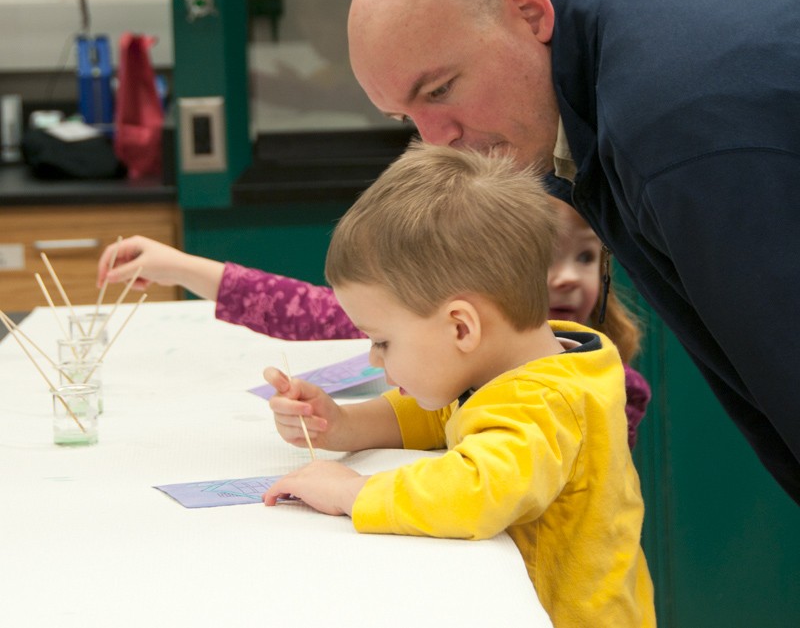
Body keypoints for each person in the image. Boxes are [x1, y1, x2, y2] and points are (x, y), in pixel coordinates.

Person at [343, 0, 800, 502]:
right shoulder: (611, 85)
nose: (435, 139)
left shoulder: (669, 131)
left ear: (529, 12)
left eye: (441, 90)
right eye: (408, 117)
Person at [261, 142, 656, 627]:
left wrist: (353, 492)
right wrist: (341, 424)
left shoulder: (541, 403)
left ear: (461, 328)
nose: (373, 357)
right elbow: (433, 412)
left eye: (382, 341)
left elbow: (476, 491)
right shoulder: (522, 365)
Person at [96, 201, 652, 448]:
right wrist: (176, 266)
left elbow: (486, 484)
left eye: (585, 258)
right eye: (543, 261)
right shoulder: (434, 329)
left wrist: (352, 493)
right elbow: (302, 306)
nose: (563, 280)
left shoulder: (604, 391)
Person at [548, 196, 651, 448]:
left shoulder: (616, 384)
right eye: (545, 255)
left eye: (585, 257)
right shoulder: (461, 368)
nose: (569, 278)